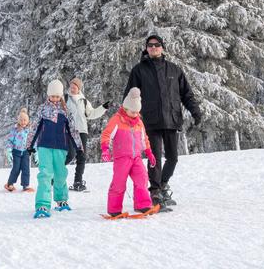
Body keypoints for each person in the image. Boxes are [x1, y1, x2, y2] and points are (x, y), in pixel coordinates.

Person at [123, 34, 201, 209]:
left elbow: (186, 95)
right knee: (154, 158)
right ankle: (155, 191)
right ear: (146, 48)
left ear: (162, 47)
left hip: (171, 120)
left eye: (156, 45)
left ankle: (163, 184)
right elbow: (129, 96)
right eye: (150, 45)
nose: (153, 47)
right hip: (150, 121)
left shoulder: (174, 70)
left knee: (173, 158)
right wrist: (127, 116)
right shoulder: (139, 70)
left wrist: (196, 112)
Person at [25, 79, 83, 219]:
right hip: (44, 147)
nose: (55, 99)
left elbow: (73, 131)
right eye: (52, 96)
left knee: (60, 174)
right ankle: (42, 205)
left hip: (60, 148)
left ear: (61, 96)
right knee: (45, 174)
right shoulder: (42, 109)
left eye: (57, 96)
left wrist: (79, 147)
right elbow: (34, 128)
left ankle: (61, 200)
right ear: (48, 95)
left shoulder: (65, 111)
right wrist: (29, 145)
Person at [100, 87, 158, 217]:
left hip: (136, 157)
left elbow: (144, 139)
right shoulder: (117, 120)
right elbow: (106, 135)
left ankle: (142, 205)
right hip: (122, 158)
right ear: (125, 108)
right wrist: (105, 149)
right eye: (133, 111)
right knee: (119, 183)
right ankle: (114, 209)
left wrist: (149, 153)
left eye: (137, 112)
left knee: (142, 178)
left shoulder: (139, 123)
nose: (135, 114)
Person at [65, 77, 108, 192]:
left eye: (75, 87)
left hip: (82, 131)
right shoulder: (65, 99)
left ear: (79, 88)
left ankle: (77, 182)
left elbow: (91, 114)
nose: (73, 88)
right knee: (70, 154)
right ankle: (54, 176)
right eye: (71, 86)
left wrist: (103, 108)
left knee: (81, 157)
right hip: (69, 131)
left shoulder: (84, 101)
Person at [3, 108, 33, 192]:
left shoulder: (29, 131)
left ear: (27, 121)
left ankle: (25, 185)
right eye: (21, 120)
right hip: (16, 152)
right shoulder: (15, 130)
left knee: (26, 168)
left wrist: (35, 151)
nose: (23, 122)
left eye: (25, 120)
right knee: (16, 168)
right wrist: (8, 150)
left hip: (26, 152)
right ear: (19, 121)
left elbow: (33, 141)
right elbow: (9, 140)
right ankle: (10, 184)